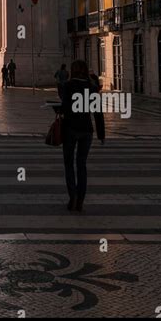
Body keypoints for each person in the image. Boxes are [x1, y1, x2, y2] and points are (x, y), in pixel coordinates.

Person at [60, 59, 105, 212]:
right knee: (82, 165)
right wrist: (101, 134)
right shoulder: (92, 87)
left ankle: (72, 196)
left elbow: (64, 107)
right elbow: (98, 112)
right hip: (87, 130)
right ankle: (80, 200)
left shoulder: (68, 85)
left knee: (68, 164)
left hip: (70, 129)